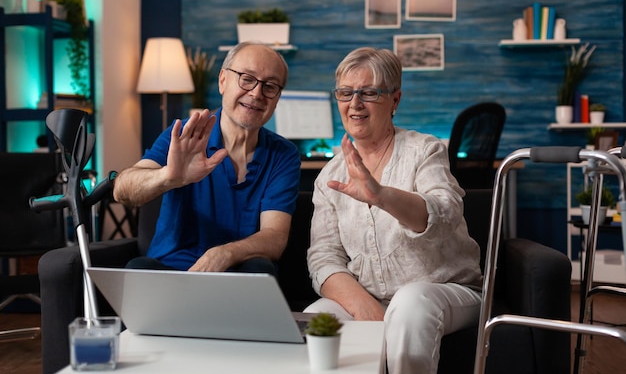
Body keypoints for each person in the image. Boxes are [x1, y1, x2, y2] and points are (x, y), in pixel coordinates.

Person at [305, 47, 483, 374]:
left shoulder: (424, 150)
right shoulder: (328, 176)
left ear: (395, 100)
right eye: (345, 93)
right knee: (317, 319)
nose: (354, 104)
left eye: (369, 93)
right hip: (371, 295)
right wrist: (366, 309)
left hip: (448, 290)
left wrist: (382, 196)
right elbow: (324, 256)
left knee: (410, 303)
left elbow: (444, 213)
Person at [113, 42, 301, 274]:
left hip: (238, 274)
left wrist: (225, 253)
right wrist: (168, 176)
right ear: (223, 80)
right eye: (247, 78)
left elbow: (274, 238)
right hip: (171, 271)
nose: (256, 93)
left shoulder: (283, 155)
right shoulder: (183, 134)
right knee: (138, 268)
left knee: (261, 268)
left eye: (270, 86)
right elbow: (122, 190)